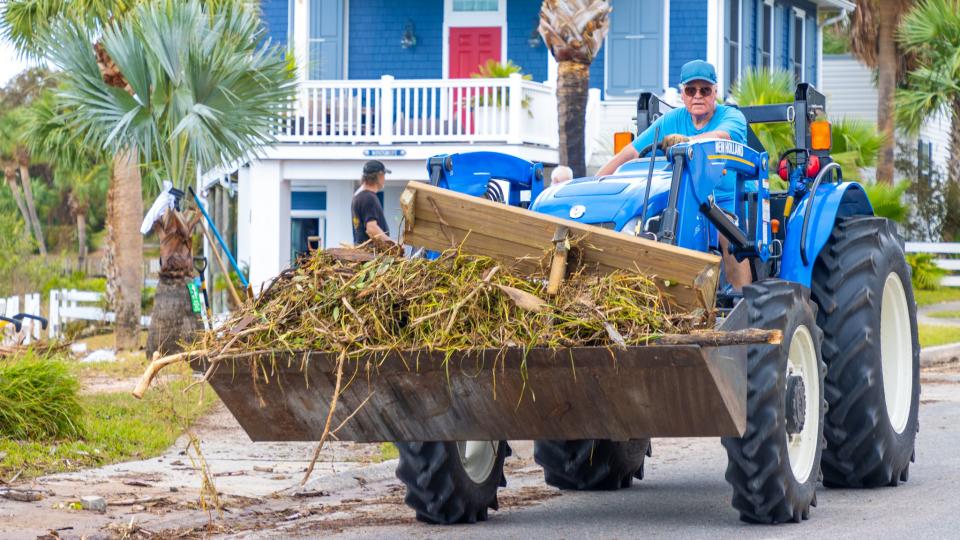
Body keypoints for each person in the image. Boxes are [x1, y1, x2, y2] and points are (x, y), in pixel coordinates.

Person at [597, 59, 751, 290]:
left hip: (723, 199)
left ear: (715, 92)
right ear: (682, 94)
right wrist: (597, 181)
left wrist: (687, 142)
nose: (697, 96)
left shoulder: (731, 117)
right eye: (691, 90)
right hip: (682, 197)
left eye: (705, 90)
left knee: (728, 234)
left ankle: (742, 298)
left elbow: (720, 137)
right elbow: (630, 152)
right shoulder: (673, 120)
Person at [352, 160, 396, 247]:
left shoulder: (358, 196)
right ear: (379, 176)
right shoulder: (368, 198)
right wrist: (393, 244)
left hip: (363, 253)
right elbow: (371, 228)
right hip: (371, 254)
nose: (384, 179)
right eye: (384, 175)